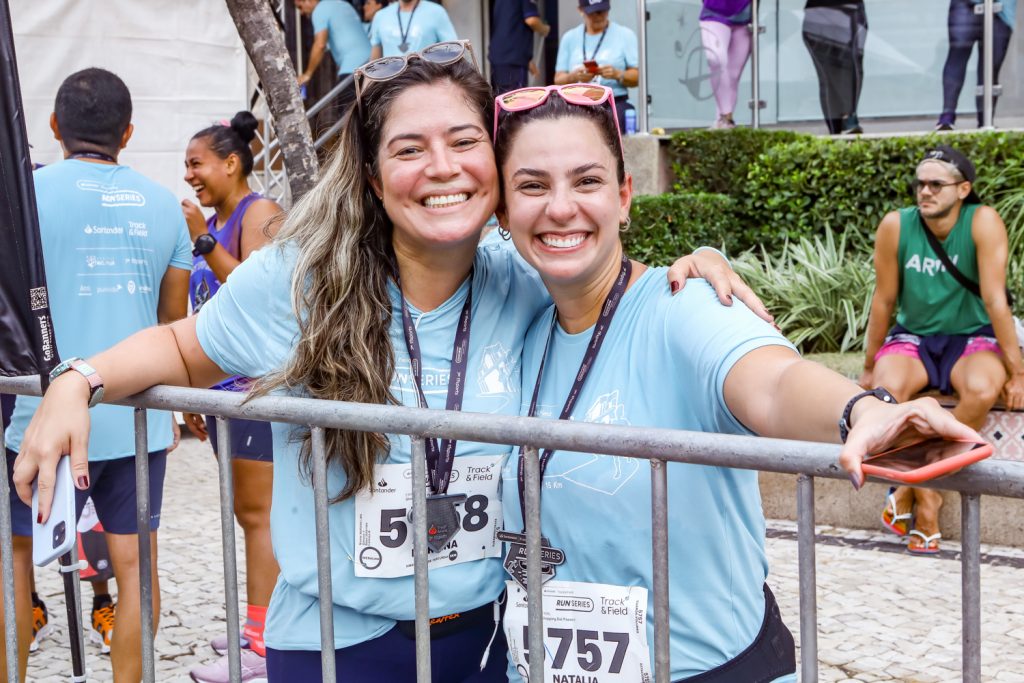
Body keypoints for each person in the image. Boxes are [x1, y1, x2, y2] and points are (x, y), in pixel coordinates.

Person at [14, 45, 763, 682]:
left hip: (487, 643)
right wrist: (79, 381)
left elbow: (606, 281)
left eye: (464, 141)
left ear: (496, 166)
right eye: (409, 150)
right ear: (373, 177)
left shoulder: (522, 278)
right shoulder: (302, 282)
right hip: (337, 646)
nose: (442, 168)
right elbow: (183, 347)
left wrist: (696, 267)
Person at [490, 83, 982, 681]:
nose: (561, 207)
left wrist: (865, 411)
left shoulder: (686, 305)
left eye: (587, 181)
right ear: (502, 212)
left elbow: (773, 382)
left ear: (624, 197)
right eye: (532, 186)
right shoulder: (517, 328)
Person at [2, 67, 191, 682]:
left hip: (37, 420)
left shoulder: (20, 199)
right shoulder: (164, 206)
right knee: (136, 571)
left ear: (54, 126)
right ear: (128, 133)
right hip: (133, 417)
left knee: (14, 567)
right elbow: (173, 325)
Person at [859, 146, 1023, 553]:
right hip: (913, 336)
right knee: (884, 394)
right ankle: (928, 494)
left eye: (936, 184)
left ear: (963, 188)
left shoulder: (982, 221)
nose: (925, 191)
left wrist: (1018, 372)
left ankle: (914, 488)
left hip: (972, 336)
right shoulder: (896, 225)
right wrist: (869, 364)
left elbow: (995, 300)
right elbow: (883, 300)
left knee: (982, 390)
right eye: (920, 184)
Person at [179, 112, 284, 683]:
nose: (189, 175)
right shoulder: (219, 219)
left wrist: (202, 238)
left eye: (197, 164)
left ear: (231, 162)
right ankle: (260, 625)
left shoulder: (258, 212)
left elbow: (257, 290)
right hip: (223, 392)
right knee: (250, 515)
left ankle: (262, 645)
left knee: (258, 515)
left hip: (256, 391)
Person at [554, 0, 639, 134]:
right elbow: (558, 80)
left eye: (602, 11)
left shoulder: (625, 35)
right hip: (577, 103)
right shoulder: (569, 37)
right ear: (581, 10)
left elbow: (638, 78)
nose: (598, 16)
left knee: (614, 123)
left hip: (613, 102)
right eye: (592, 13)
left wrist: (617, 74)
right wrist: (574, 77)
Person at [936, 0, 1017, 130]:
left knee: (991, 67)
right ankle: (947, 116)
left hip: (1002, 9)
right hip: (965, 4)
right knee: (958, 54)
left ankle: (985, 121)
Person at [801, 0, 868, 135]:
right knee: (827, 78)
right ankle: (838, 130)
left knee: (852, 66)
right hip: (817, 15)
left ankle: (849, 119)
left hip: (849, 12)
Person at [296, 0, 372, 100]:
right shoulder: (343, 4)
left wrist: (307, 74)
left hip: (353, 69)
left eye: (300, 7)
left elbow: (320, 44)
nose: (301, 12)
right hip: (372, 64)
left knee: (347, 109)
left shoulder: (320, 10)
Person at [699, 0, 752, 130]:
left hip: (745, 16)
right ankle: (726, 117)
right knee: (715, 60)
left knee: (733, 76)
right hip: (714, 12)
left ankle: (723, 123)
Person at [488, 0, 550, 95]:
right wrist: (544, 29)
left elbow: (510, 24)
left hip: (500, 57)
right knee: (516, 99)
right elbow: (531, 20)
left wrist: (526, 59)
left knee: (502, 97)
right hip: (513, 60)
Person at [369, 0, 458, 58]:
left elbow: (454, 51)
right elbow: (374, 61)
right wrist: (367, 82)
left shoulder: (437, 12)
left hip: (424, 78)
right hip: (390, 80)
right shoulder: (381, 16)